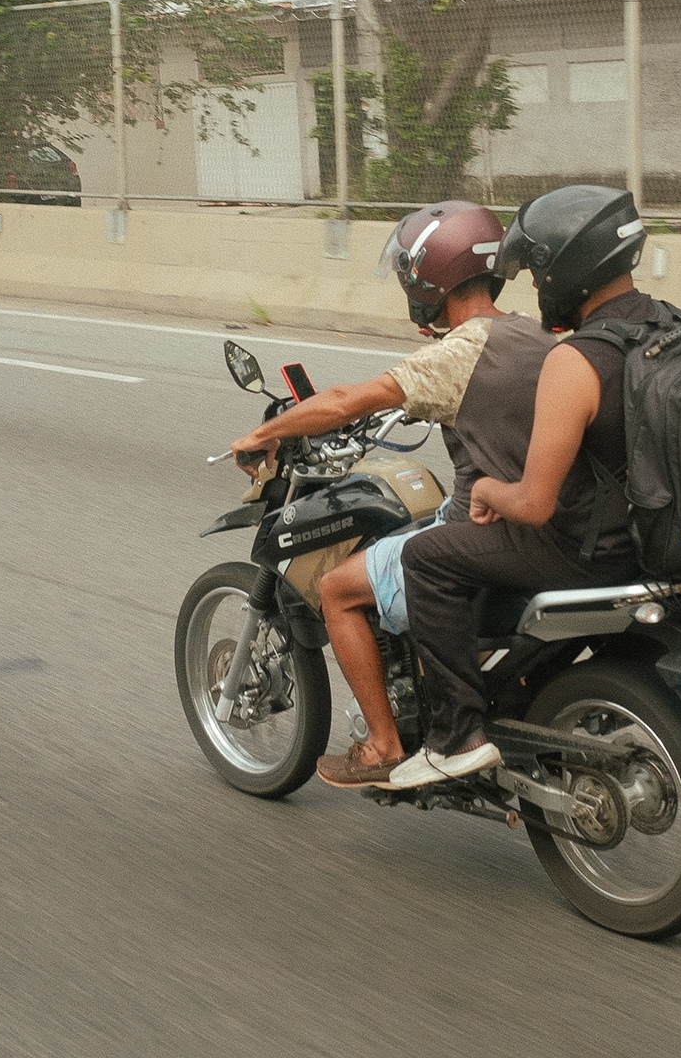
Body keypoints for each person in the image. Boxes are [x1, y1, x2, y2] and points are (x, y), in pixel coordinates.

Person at [226, 200, 552, 788]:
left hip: (484, 530)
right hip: (543, 523)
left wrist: (263, 434)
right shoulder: (535, 333)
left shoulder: (458, 352)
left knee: (338, 590)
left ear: (429, 278)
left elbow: (344, 401)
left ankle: (382, 745)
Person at [386, 185, 653, 789]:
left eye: (537, 272)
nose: (534, 287)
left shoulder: (578, 357)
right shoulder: (671, 334)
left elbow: (533, 503)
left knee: (424, 556)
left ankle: (455, 737)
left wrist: (487, 492)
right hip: (658, 540)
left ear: (567, 271)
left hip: (587, 547)